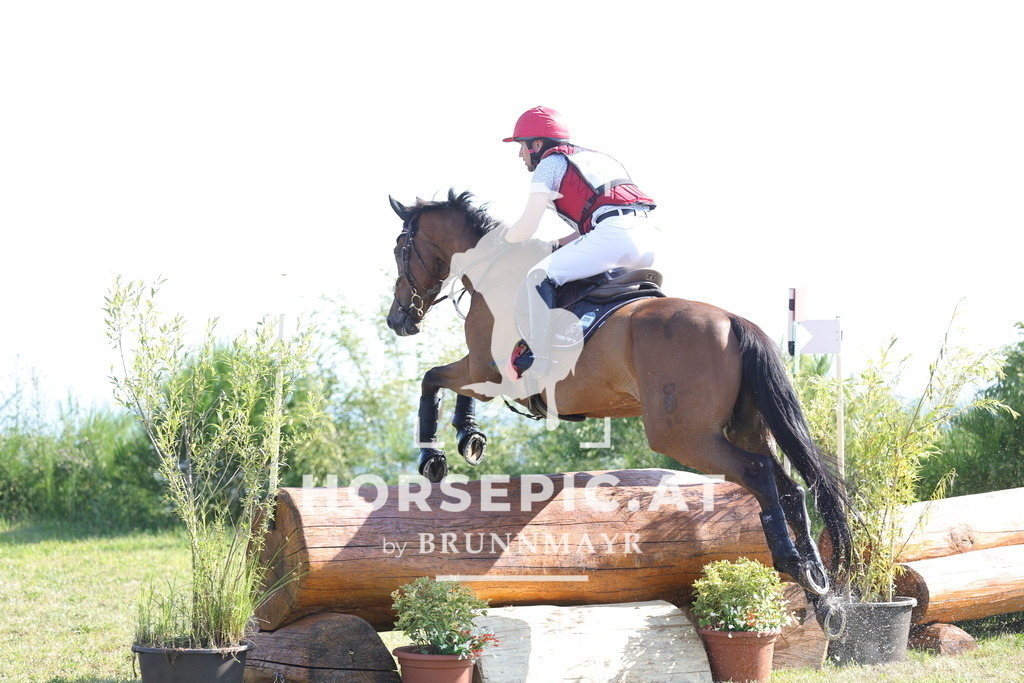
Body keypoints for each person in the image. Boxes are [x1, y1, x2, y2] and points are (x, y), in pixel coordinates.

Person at [502, 105, 661, 379]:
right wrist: (556, 244)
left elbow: (527, 226)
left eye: (522, 146)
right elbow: (595, 223)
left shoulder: (549, 164)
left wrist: (503, 239)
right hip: (647, 237)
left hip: (613, 237)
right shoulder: (596, 158)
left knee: (539, 275)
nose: (520, 154)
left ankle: (540, 357)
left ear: (537, 145)